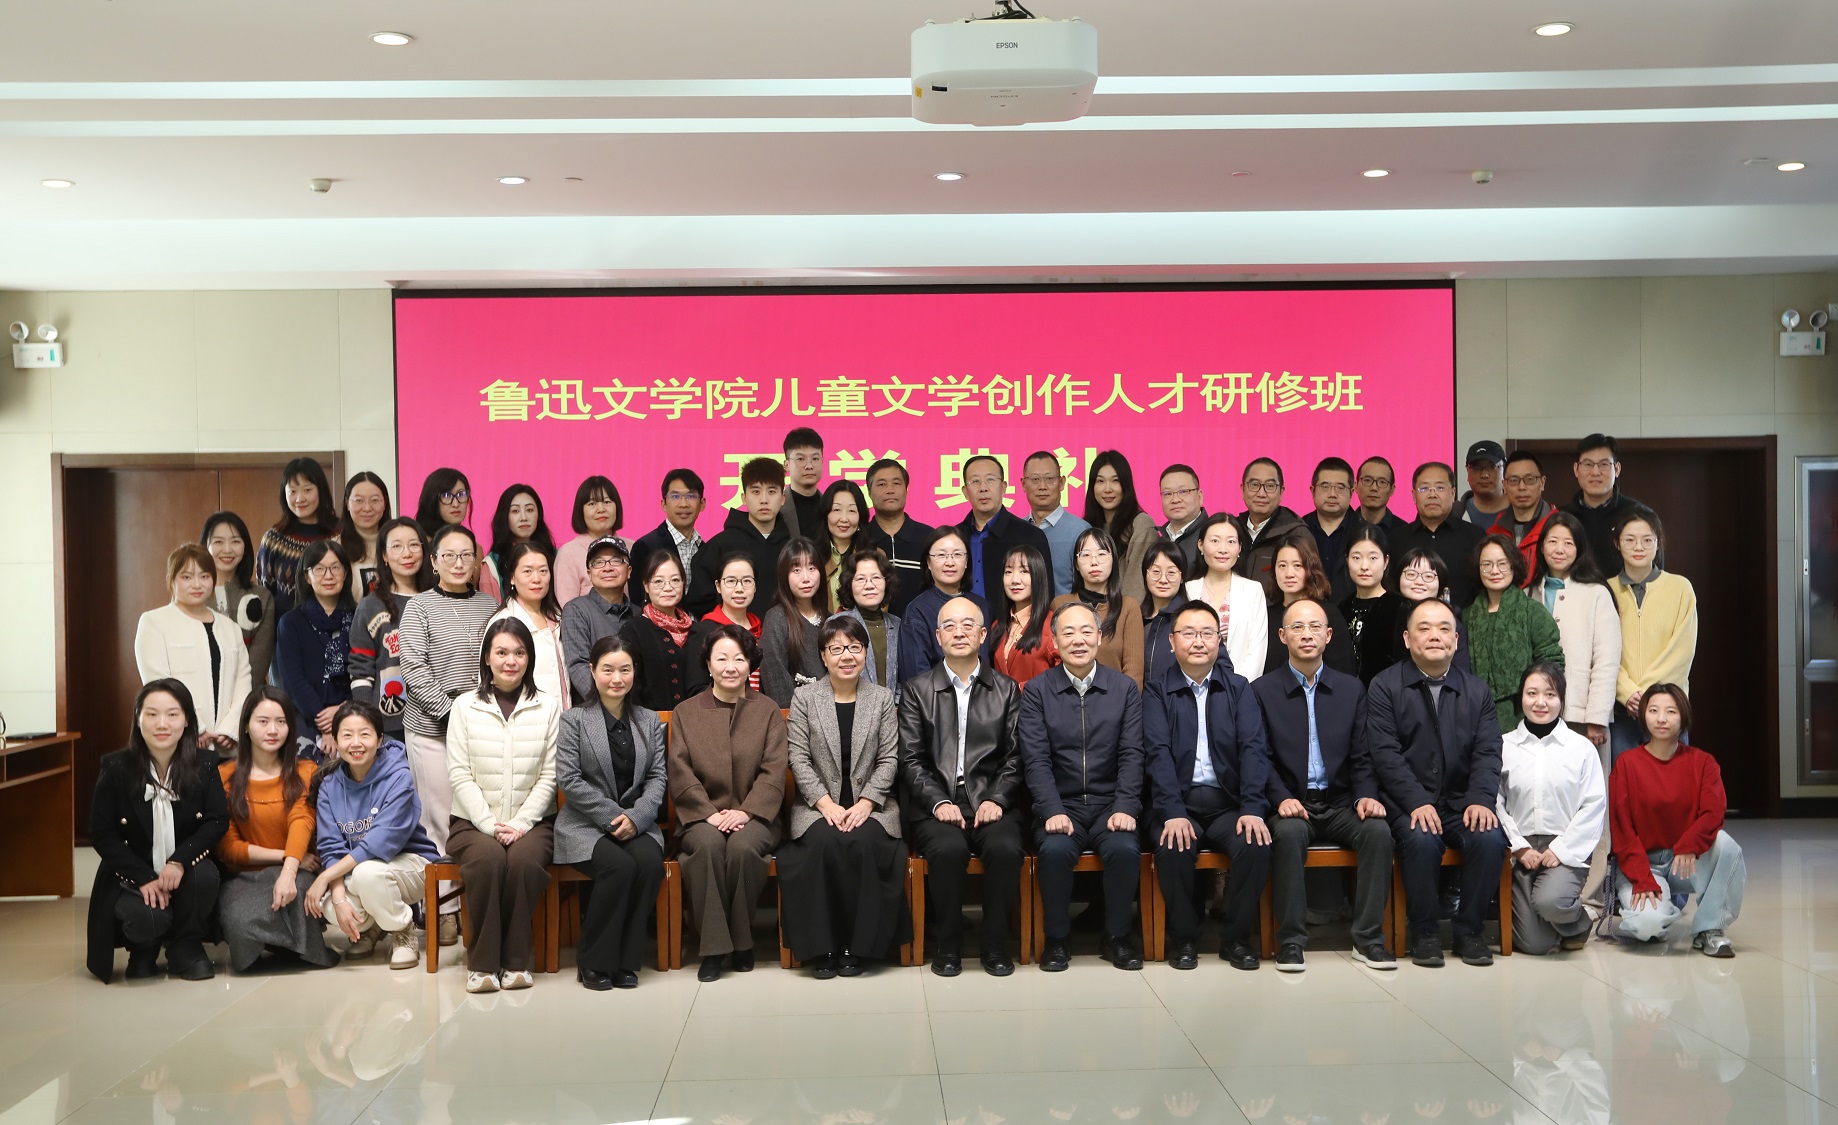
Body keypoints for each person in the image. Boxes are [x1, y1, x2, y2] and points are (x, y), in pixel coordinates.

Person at [1367, 598, 1509, 968]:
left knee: (1490, 838)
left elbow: (1488, 751)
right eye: (1424, 628)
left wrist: (1481, 799)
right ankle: (1425, 932)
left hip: (1462, 801)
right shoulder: (1385, 686)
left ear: (1456, 640)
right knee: (1421, 840)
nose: (1435, 636)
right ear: (1407, 638)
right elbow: (1384, 753)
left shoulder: (1476, 691)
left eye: (1444, 629)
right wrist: (1416, 801)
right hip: (1408, 802)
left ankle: (1469, 932)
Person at [1257, 599, 1396, 971]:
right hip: (1291, 802)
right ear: (1282, 636)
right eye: (1298, 627)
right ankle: (1290, 941)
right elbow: (1259, 757)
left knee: (1378, 832)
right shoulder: (1262, 691)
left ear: (1329, 635)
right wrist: (1280, 798)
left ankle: (1368, 940)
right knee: (1287, 835)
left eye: (1315, 627)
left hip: (1340, 802)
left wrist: (1365, 796)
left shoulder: (1352, 689)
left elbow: (1363, 755)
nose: (1307, 634)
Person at [898, 596, 1026, 976]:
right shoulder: (917, 690)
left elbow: (1016, 756)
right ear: (938, 636)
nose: (959, 632)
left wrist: (997, 798)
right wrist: (939, 802)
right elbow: (910, 759)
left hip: (992, 801)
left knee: (1005, 848)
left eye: (968, 625)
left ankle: (995, 944)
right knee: (948, 850)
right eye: (950, 626)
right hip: (937, 803)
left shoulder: (1006, 689)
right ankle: (948, 945)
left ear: (983, 635)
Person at [1143, 602, 1274, 971]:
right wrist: (1172, 812)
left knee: (1257, 843)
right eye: (1188, 633)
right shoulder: (1156, 691)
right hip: (1177, 802)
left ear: (1219, 640)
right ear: (1172, 642)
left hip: (1227, 803)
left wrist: (1252, 808)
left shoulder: (1239, 688)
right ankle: (1184, 938)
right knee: (1173, 845)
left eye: (1207, 633)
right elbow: (1157, 753)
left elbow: (1253, 749)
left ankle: (1236, 939)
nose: (1198, 641)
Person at [1020, 601, 1146, 972]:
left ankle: (1117, 938)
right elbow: (1036, 759)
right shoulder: (1037, 691)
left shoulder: (1123, 688)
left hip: (1110, 804)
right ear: (1054, 641)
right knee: (1055, 850)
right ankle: (1057, 940)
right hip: (1061, 805)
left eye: (1086, 631)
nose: (1078, 640)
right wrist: (1052, 810)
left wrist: (1125, 806)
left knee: (1124, 849)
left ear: (1099, 637)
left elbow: (1132, 754)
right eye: (1068, 633)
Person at [780, 616, 907, 977]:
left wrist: (866, 803)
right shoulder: (806, 698)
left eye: (854, 647)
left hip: (873, 806)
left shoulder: (881, 699)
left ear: (865, 653)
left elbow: (889, 759)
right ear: (823, 656)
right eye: (836, 649)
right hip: (817, 806)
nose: (846, 656)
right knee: (824, 842)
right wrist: (825, 804)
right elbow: (797, 757)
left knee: (863, 842)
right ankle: (822, 947)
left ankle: (859, 946)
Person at [396, 523, 499, 948]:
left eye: (466, 555)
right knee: (438, 820)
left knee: (479, 816)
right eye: (449, 555)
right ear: (434, 561)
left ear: (477, 562)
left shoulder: (490, 605)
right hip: (432, 730)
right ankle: (445, 911)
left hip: (482, 729)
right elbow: (413, 669)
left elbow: (499, 662)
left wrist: (479, 716)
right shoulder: (418, 607)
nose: (458, 563)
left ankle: (474, 906)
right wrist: (453, 713)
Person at [445, 617, 560, 993]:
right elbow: (459, 772)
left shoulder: (548, 707)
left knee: (524, 862)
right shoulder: (465, 706)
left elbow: (551, 775)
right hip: (472, 823)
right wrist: (488, 824)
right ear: (487, 657)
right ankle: (482, 966)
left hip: (534, 822)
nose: (511, 660)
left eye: (519, 652)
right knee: (488, 860)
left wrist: (522, 823)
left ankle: (515, 962)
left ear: (529, 658)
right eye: (502, 652)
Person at [667, 625, 788, 982]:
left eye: (739, 658)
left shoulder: (767, 710)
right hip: (700, 818)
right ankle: (715, 949)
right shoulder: (686, 712)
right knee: (706, 848)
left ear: (750, 663)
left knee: (742, 848)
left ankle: (742, 942)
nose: (730, 667)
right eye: (721, 659)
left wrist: (746, 812)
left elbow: (774, 770)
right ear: (708, 664)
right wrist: (708, 814)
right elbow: (680, 770)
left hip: (757, 817)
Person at [86, 680, 228, 983]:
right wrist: (143, 877)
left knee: (205, 875)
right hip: (132, 875)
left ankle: (186, 948)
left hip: (185, 871)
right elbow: (101, 833)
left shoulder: (204, 765)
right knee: (145, 918)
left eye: (172, 714)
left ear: (187, 720)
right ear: (138, 719)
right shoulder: (115, 768)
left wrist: (179, 861)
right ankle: (143, 950)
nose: (162, 724)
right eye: (151, 714)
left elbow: (217, 820)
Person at [554, 634, 667, 990]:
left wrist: (636, 818)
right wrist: (613, 816)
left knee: (648, 863)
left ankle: (624, 960)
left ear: (634, 672)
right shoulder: (574, 720)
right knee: (619, 867)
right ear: (592, 670)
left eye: (624, 670)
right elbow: (569, 779)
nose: (616, 678)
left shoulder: (649, 720)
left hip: (636, 822)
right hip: (584, 823)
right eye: (607, 670)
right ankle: (593, 960)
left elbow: (657, 777)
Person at [1608, 685, 1742, 956]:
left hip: (1685, 860)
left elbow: (1713, 812)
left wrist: (1689, 844)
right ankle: (1659, 913)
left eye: (1671, 712)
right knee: (1648, 926)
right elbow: (1622, 829)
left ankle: (1710, 929)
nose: (1661, 719)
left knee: (1726, 845)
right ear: (1643, 715)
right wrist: (1642, 878)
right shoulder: (1626, 763)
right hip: (1643, 862)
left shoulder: (1703, 762)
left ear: (1684, 717)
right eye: (1653, 710)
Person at [307, 701, 440, 970]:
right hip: (361, 872)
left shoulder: (398, 776)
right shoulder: (330, 785)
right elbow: (331, 848)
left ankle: (402, 930)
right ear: (336, 740)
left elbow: (377, 844)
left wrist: (325, 877)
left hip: (414, 865)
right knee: (331, 904)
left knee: (366, 873)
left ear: (379, 740)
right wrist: (337, 895)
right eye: (347, 735)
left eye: (364, 734)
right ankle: (373, 927)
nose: (356, 743)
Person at [216, 688, 336, 973]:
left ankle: (293, 947)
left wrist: (289, 871)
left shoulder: (306, 770)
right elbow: (228, 847)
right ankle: (279, 943)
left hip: (298, 872)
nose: (273, 730)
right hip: (247, 874)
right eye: (263, 721)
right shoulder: (225, 776)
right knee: (238, 920)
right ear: (246, 726)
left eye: (281, 722)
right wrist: (286, 856)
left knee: (299, 894)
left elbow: (302, 820)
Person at [1496, 663, 1605, 955]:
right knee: (1535, 944)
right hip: (1521, 852)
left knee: (1550, 902)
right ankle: (1556, 926)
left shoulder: (1581, 748)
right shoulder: (1504, 746)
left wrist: (1560, 850)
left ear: (1562, 700)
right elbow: (1495, 802)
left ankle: (1578, 922)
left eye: (1550, 694)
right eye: (1532, 693)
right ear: (1521, 697)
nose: (1540, 702)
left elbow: (1593, 805)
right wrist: (1518, 847)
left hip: (1565, 848)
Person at [134, 542, 252, 754]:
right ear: (172, 580)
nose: (197, 584)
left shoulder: (231, 628)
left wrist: (231, 728)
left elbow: (243, 683)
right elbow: (158, 684)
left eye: (204, 576)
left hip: (227, 745)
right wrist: (195, 726)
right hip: (179, 743)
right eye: (187, 577)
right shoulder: (154, 622)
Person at [1608, 508, 1698, 760]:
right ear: (1617, 543)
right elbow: (1601, 652)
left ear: (1658, 543)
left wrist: (1649, 697)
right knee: (1625, 777)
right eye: (1630, 539)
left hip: (1668, 707)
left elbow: (1682, 652)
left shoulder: (1680, 588)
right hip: (1622, 709)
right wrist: (1628, 693)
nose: (1639, 547)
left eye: (1647, 540)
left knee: (1672, 778)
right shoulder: (1605, 590)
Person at [1531, 513, 1620, 750]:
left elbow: (1607, 660)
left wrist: (1597, 717)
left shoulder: (1596, 593)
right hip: (1536, 712)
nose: (1559, 549)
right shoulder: (1529, 593)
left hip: (1581, 716)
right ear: (1542, 547)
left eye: (1568, 543)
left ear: (1579, 548)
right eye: (1552, 541)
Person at [1464, 533, 1565, 733]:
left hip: (1525, 714)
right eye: (1486, 565)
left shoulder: (1532, 611)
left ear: (1513, 566)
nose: (1495, 571)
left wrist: (1536, 699)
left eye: (1502, 564)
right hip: (1477, 714)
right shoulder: (1467, 616)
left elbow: (1552, 663)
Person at [349, 517, 433, 738]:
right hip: (389, 721)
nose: (407, 553)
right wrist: (366, 718)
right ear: (384, 556)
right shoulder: (370, 605)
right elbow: (361, 668)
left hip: (436, 718)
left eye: (414, 545)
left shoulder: (437, 599)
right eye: (396, 546)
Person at [276, 540, 356, 753]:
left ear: (345, 573)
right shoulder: (291, 622)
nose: (328, 576)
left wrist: (342, 711)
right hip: (306, 717)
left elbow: (366, 672)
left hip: (353, 712)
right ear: (306, 576)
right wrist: (325, 724)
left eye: (335, 567)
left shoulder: (359, 617)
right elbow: (294, 681)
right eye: (319, 569)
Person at [689, 456, 792, 618]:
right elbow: (700, 600)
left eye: (772, 492)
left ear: (783, 498)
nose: (764, 500)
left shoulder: (793, 547)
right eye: (756, 491)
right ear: (744, 498)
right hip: (731, 633)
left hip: (785, 633)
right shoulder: (719, 546)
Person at [1049, 527, 1145, 688]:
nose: (1094, 562)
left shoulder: (1128, 607)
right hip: (1066, 699)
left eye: (1101, 554)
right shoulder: (1059, 604)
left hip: (1116, 699)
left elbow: (1133, 672)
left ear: (1113, 560)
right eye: (1085, 555)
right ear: (1076, 564)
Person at [897, 526, 990, 683]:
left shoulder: (981, 606)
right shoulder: (917, 611)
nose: (950, 562)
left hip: (981, 695)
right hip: (934, 697)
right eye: (941, 555)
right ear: (928, 562)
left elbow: (987, 664)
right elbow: (916, 678)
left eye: (957, 555)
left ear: (967, 561)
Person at [1389, 462, 1486, 610]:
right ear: (1414, 495)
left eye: (1440, 488)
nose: (1432, 494)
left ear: (1453, 493)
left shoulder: (1475, 536)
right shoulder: (1396, 539)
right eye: (1424, 488)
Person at [957, 454, 1051, 605]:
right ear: (965, 492)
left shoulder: (1030, 536)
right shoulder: (955, 538)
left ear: (1003, 487)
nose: (983, 488)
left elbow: (1044, 595)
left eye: (990, 480)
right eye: (975, 481)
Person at [1183, 513, 1267, 679]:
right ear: (1200, 545)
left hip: (1241, 685)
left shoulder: (1253, 590)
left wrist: (1237, 687)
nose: (1223, 549)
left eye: (1231, 542)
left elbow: (1257, 650)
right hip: (1193, 683)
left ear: (1240, 548)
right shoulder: (1187, 589)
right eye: (1215, 541)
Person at [255, 457, 340, 617]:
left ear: (321, 490)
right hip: (284, 631)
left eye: (307, 490)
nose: (300, 499)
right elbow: (264, 596)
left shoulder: (340, 534)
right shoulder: (273, 540)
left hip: (337, 629)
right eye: (292, 491)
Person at [1264, 533, 1356, 677]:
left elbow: (1343, 672)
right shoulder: (1265, 616)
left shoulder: (1328, 614)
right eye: (1282, 566)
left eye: (1297, 565)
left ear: (1311, 569)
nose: (1289, 573)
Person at [202, 511, 277, 686]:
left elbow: (259, 661)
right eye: (218, 542)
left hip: (248, 696)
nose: (227, 549)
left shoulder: (262, 597)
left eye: (235, 541)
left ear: (245, 547)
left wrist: (239, 696)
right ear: (206, 546)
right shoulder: (192, 594)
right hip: (199, 695)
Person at [621, 549, 700, 712]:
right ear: (646, 586)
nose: (668, 588)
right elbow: (630, 690)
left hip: (695, 722)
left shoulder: (697, 630)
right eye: (658, 581)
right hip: (651, 723)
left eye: (675, 580)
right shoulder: (633, 630)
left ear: (683, 583)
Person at [488, 541, 567, 702]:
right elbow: (489, 682)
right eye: (527, 571)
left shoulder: (560, 616)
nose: (536, 579)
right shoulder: (503, 621)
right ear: (512, 578)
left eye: (543, 571)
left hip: (563, 713)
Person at [561, 536, 637, 704]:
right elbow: (578, 665)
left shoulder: (639, 614)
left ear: (629, 571)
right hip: (593, 710)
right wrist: (610, 706)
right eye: (598, 563)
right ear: (589, 573)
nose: (607, 568)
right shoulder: (576, 610)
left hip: (636, 710)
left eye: (616, 561)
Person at [760, 537, 832, 707]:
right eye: (796, 570)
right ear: (784, 576)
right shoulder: (777, 618)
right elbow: (774, 675)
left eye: (812, 568)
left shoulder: (831, 620)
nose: (806, 578)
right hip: (794, 714)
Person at [1565, 434, 1650, 573]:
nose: (1595, 472)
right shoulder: (1563, 517)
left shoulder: (1639, 515)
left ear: (1617, 469)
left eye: (1604, 464)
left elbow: (1654, 570)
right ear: (1576, 469)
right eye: (1588, 464)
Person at [860, 458, 933, 618]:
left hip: (921, 629)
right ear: (869, 492)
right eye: (881, 484)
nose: (890, 490)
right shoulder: (860, 539)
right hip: (870, 629)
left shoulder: (929, 537)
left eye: (896, 483)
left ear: (906, 489)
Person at [1084, 450, 1158, 605]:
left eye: (1115, 481)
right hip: (1088, 615)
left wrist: (1118, 616)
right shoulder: (1085, 528)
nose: (1107, 489)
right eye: (1100, 481)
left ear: (1126, 485)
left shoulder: (1141, 525)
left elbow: (1135, 589)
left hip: (1126, 615)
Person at [687, 552, 764, 695]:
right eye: (731, 581)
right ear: (718, 586)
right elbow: (696, 688)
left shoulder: (763, 631)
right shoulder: (703, 631)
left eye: (747, 581)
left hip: (760, 707)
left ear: (755, 586)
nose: (739, 589)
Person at [628, 469, 706, 606]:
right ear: (664, 504)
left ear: (702, 504)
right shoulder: (646, 546)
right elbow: (638, 601)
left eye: (691, 496)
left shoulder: (706, 548)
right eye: (675, 496)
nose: (683, 504)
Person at [1390, 547, 1473, 674]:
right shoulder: (1386, 614)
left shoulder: (1451, 621)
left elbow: (1460, 671)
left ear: (1441, 583)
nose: (1419, 582)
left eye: (1428, 576)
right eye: (1411, 574)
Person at [1020, 451, 1090, 595]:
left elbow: (1090, 588)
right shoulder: (1016, 530)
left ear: (1061, 483)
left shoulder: (1081, 531)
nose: (1042, 486)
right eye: (1035, 479)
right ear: (1023, 484)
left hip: (1068, 609)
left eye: (1049, 479)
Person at [1340, 524, 1401, 685]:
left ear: (1386, 561)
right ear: (1347, 560)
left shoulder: (1399, 608)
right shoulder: (1341, 609)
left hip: (1386, 695)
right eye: (1356, 558)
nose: (1364, 566)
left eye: (1373, 558)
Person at [552, 476, 627, 607]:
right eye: (592, 504)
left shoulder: (633, 547)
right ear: (580, 511)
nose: (601, 509)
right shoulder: (568, 553)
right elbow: (566, 608)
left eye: (607, 502)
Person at [833, 548, 901, 692]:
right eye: (860, 579)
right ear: (849, 585)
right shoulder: (837, 624)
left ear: (887, 582)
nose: (869, 585)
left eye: (876, 578)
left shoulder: (898, 625)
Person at [992, 545, 1059, 688]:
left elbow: (1064, 676)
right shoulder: (997, 625)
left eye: (1024, 571)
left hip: (1038, 701)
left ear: (1038, 576)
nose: (1015, 580)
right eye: (1008, 572)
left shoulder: (1053, 624)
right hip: (1001, 702)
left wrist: (1019, 689)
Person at [481, 483, 557, 603]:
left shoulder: (557, 556)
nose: (523, 517)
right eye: (515, 511)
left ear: (538, 514)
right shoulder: (492, 564)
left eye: (530, 510)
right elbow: (490, 609)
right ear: (504, 516)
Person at [1239, 457, 1304, 598]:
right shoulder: (1232, 530)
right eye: (1254, 485)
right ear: (1242, 489)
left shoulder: (1297, 532)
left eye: (1270, 486)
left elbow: (1311, 585)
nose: (1261, 494)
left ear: (1281, 492)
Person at [1489, 451, 1555, 580]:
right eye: (1513, 480)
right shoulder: (1494, 533)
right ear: (1504, 486)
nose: (1521, 487)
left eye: (1529, 479)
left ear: (1542, 483)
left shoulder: (1560, 528)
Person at [1302, 456, 1358, 602]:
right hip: (1305, 609)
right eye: (1325, 486)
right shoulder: (1298, 529)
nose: (1332, 494)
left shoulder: (1365, 532)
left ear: (1352, 492)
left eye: (1340, 487)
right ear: (1312, 490)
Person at [1139, 541, 1190, 686]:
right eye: (1156, 572)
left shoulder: (1194, 617)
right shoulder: (1136, 617)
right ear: (1145, 574)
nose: (1163, 580)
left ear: (1182, 577)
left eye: (1171, 573)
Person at [337, 471, 391, 603]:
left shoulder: (397, 544)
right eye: (359, 500)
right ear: (347, 503)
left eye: (375, 500)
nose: (367, 508)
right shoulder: (335, 548)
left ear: (384, 503)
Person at [814, 479, 870, 603]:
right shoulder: (810, 556)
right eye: (837, 510)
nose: (844, 519)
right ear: (825, 514)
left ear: (860, 517)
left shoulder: (874, 557)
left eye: (851, 511)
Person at [1157, 464, 1208, 569]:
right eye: (1167, 493)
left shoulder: (1212, 536)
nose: (1175, 500)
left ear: (1199, 496)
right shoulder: (1155, 539)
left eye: (1183, 491)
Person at [782, 426, 826, 539]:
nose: (809, 466)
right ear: (787, 465)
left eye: (815, 459)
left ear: (822, 462)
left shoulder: (830, 507)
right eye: (801, 459)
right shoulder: (777, 507)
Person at [1355, 456, 1412, 541]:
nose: (1374, 488)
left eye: (1382, 482)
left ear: (1392, 490)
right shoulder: (1343, 527)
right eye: (1367, 480)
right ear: (1355, 486)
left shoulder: (1405, 532)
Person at [1460, 441, 1510, 526]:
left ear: (1505, 470)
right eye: (1477, 467)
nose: (1484, 475)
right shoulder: (1455, 514)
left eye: (1492, 467)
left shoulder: (1521, 511)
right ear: (1467, 471)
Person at [413, 468, 474, 537]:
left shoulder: (470, 542)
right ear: (432, 500)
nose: (455, 504)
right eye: (447, 495)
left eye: (461, 494)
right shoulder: (420, 542)